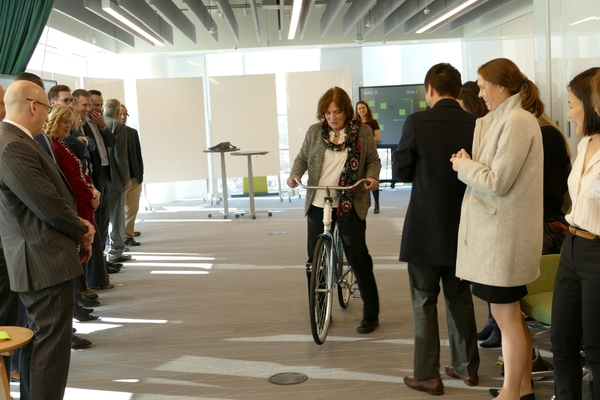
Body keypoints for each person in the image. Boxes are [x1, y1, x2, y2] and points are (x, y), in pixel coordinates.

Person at [450, 58, 544, 400]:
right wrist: (470, 162)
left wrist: (464, 166)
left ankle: (511, 393)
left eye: (482, 84)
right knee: (511, 318)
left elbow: (498, 181)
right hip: (500, 234)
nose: (479, 91)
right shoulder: (504, 120)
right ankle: (522, 388)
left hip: (504, 237)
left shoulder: (518, 121)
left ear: (502, 86)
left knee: (506, 318)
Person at [0, 80, 95, 400]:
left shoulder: (16, 140)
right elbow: (47, 204)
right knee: (51, 349)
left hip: (39, 257)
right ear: (33, 106)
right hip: (43, 259)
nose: (48, 115)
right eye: (47, 108)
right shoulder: (12, 144)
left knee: (42, 341)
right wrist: (82, 230)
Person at [393, 63, 479, 396]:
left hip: (424, 229)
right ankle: (467, 367)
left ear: (430, 89)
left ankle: (428, 375)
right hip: (463, 229)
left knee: (424, 301)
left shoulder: (416, 121)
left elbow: (401, 172)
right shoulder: (475, 123)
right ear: (458, 92)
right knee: (460, 299)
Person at [287, 87, 381, 334]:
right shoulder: (314, 133)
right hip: (319, 199)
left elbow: (373, 160)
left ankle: (371, 314)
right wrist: (295, 173)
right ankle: (319, 307)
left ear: (346, 111)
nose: (332, 117)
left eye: (337, 111)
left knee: (358, 255)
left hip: (350, 199)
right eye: (328, 113)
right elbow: (302, 159)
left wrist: (371, 177)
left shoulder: (362, 132)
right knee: (313, 260)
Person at [551, 67, 600, 400]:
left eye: (572, 104)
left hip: (597, 252)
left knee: (597, 348)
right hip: (571, 247)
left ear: (592, 104)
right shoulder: (585, 144)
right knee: (562, 340)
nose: (568, 113)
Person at [105, 98, 132, 263]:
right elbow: (120, 155)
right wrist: (126, 178)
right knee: (117, 216)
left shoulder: (97, 124)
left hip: (100, 178)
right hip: (115, 178)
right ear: (116, 113)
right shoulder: (117, 126)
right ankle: (116, 252)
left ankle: (107, 251)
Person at [119, 105, 145, 245]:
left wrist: (140, 175)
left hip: (134, 177)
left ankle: (128, 235)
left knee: (132, 208)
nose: (123, 117)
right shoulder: (109, 132)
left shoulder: (132, 133)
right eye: (120, 114)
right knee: (119, 210)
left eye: (125, 114)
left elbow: (138, 156)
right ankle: (119, 236)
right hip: (119, 179)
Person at [355, 100, 382, 213]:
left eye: (363, 108)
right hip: (358, 154)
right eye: (359, 108)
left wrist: (366, 140)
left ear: (367, 109)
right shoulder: (355, 123)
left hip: (370, 154)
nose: (361, 110)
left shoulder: (373, 122)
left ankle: (376, 203)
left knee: (372, 179)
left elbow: (378, 138)